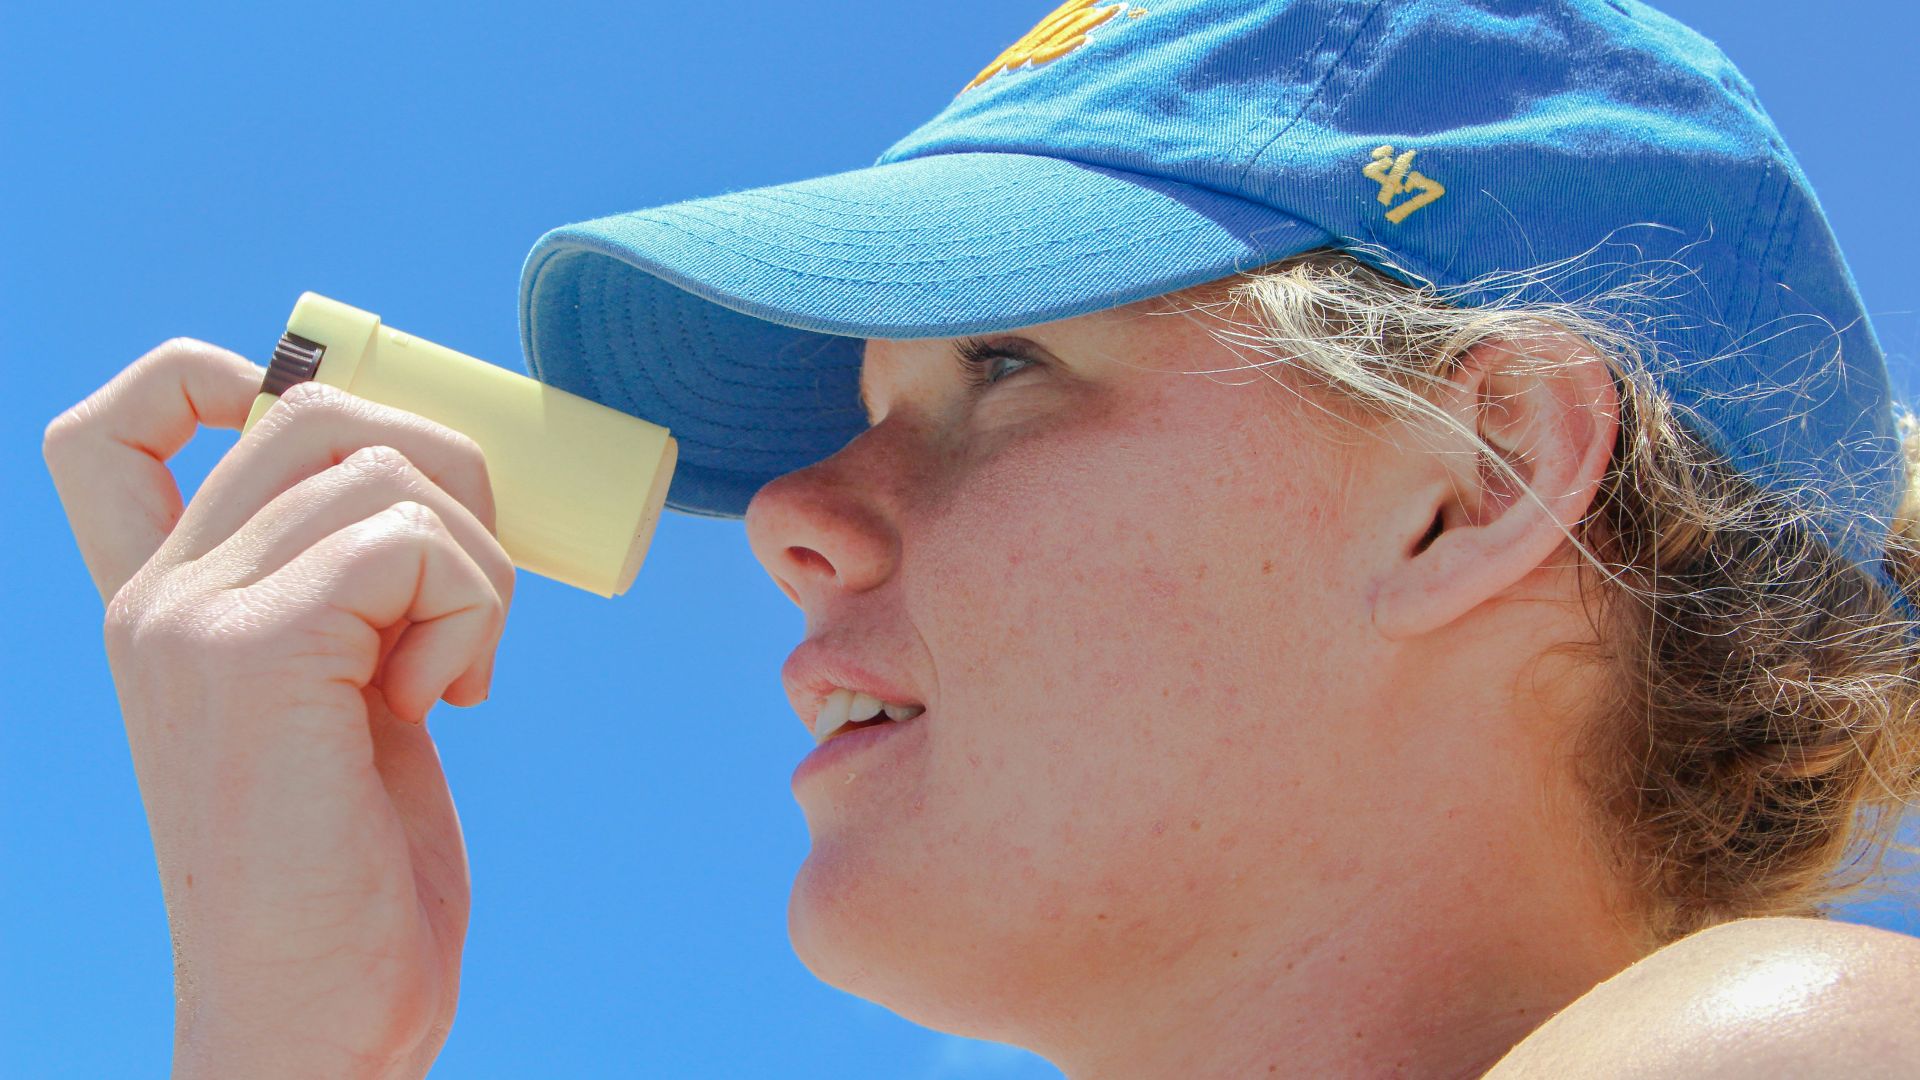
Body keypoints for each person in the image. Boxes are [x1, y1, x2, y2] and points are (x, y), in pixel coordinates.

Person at [41, 0, 1920, 1076]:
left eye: (1006, 365)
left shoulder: (1782, 1050)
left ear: (1476, 473)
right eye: (863, 410)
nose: (789, 515)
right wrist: (291, 1035)